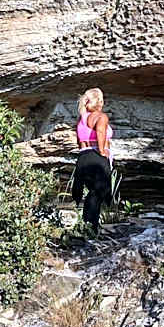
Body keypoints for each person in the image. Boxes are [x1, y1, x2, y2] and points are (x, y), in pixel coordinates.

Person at [72, 87, 113, 232]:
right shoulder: (101, 117)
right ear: (99, 101)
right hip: (96, 156)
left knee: (92, 192)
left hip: (83, 156)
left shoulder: (81, 118)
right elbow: (101, 132)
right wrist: (103, 152)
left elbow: (79, 140)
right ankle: (91, 227)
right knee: (100, 190)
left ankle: (87, 224)